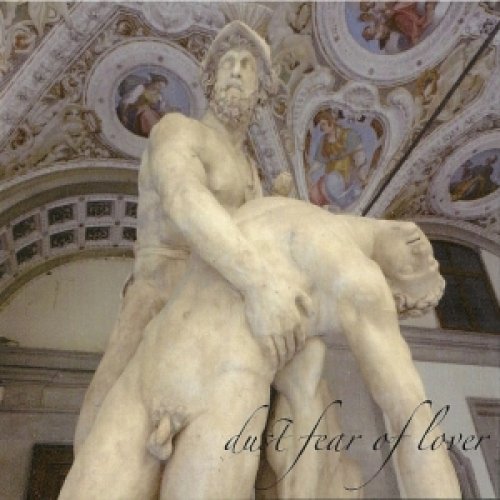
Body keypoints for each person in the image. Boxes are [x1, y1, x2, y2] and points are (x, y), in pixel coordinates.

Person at [60, 197, 460, 499]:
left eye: (418, 273)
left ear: (393, 297)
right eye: (432, 263)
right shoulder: (272, 200)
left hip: (222, 400)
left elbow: (413, 419)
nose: (427, 255)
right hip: (148, 373)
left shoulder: (359, 285)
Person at [74, 21, 312, 454]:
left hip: (221, 313)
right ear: (210, 81)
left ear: (263, 91)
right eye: (227, 64)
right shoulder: (177, 130)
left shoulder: (253, 173)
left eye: (247, 66)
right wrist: (260, 283)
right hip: (160, 296)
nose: (236, 71)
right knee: (105, 440)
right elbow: (185, 202)